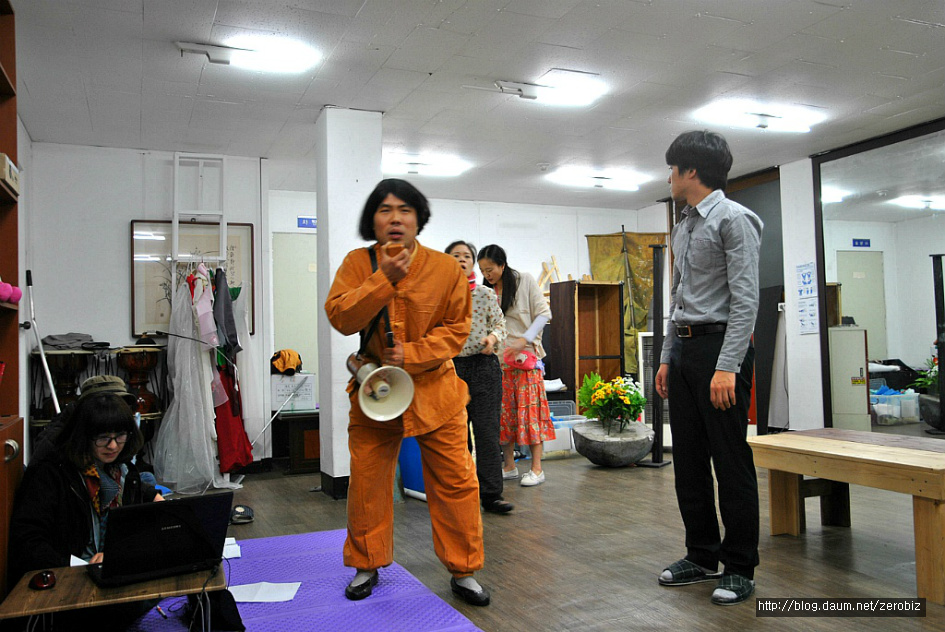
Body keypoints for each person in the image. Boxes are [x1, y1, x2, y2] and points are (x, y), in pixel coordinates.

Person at [324, 178, 490, 606]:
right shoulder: (358, 263)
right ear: (373, 220)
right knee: (367, 482)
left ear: (419, 219)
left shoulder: (445, 269)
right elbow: (341, 317)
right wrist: (383, 280)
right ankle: (366, 564)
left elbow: (457, 330)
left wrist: (412, 354)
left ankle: (464, 570)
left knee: (456, 481)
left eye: (404, 210)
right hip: (376, 393)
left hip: (437, 392)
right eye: (385, 210)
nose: (395, 218)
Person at [654, 130, 763, 606]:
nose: (669, 178)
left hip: (721, 351)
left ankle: (739, 566)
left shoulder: (735, 220)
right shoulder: (683, 225)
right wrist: (666, 357)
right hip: (683, 351)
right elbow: (678, 298)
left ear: (691, 171)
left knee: (730, 460)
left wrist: (727, 366)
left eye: (672, 169)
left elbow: (746, 301)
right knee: (689, 460)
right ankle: (701, 555)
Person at [8, 376, 164, 629]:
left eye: (120, 436)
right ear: (84, 435)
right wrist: (79, 565)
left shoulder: (121, 471)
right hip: (69, 581)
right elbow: (27, 541)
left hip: (109, 571)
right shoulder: (52, 474)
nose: (112, 445)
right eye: (103, 438)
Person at [477, 244, 554, 487]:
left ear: (502, 264)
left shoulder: (525, 281)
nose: (487, 274)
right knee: (503, 416)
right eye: (483, 271)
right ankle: (509, 466)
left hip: (525, 360)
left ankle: (537, 469)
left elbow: (544, 314)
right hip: (498, 362)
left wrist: (524, 340)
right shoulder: (485, 291)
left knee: (530, 414)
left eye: (490, 269)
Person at [446, 240, 512, 514]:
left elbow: (500, 324)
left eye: (466, 256)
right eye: (455, 255)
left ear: (472, 262)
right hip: (451, 369)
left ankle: (492, 495)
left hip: (484, 367)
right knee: (458, 436)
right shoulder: (440, 294)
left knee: (487, 433)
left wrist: (492, 338)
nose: (462, 259)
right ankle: (462, 494)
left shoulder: (485, 294)